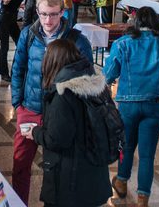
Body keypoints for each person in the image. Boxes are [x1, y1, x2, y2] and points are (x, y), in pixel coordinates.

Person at [10, 0, 93, 204]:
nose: (48, 20)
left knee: (57, 168)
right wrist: (17, 104)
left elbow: (88, 79)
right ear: (37, 11)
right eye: (44, 14)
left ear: (62, 12)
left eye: (54, 14)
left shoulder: (76, 40)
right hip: (30, 108)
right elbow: (18, 69)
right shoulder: (28, 34)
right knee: (20, 165)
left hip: (60, 114)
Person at [104, 6, 159, 207]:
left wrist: (107, 87)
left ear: (135, 22)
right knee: (147, 154)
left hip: (128, 104)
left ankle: (122, 182)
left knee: (127, 145)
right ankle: (143, 198)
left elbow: (108, 73)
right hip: (156, 105)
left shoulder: (123, 43)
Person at [21, 39, 112, 207]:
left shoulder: (63, 95)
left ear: (53, 62)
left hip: (69, 182)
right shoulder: (95, 86)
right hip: (93, 176)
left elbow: (57, 139)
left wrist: (35, 133)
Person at [0, 0, 30, 82]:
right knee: (4, 46)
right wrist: (5, 2)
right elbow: (3, 2)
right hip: (3, 17)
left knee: (20, 43)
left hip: (12, 19)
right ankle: (4, 73)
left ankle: (17, 70)